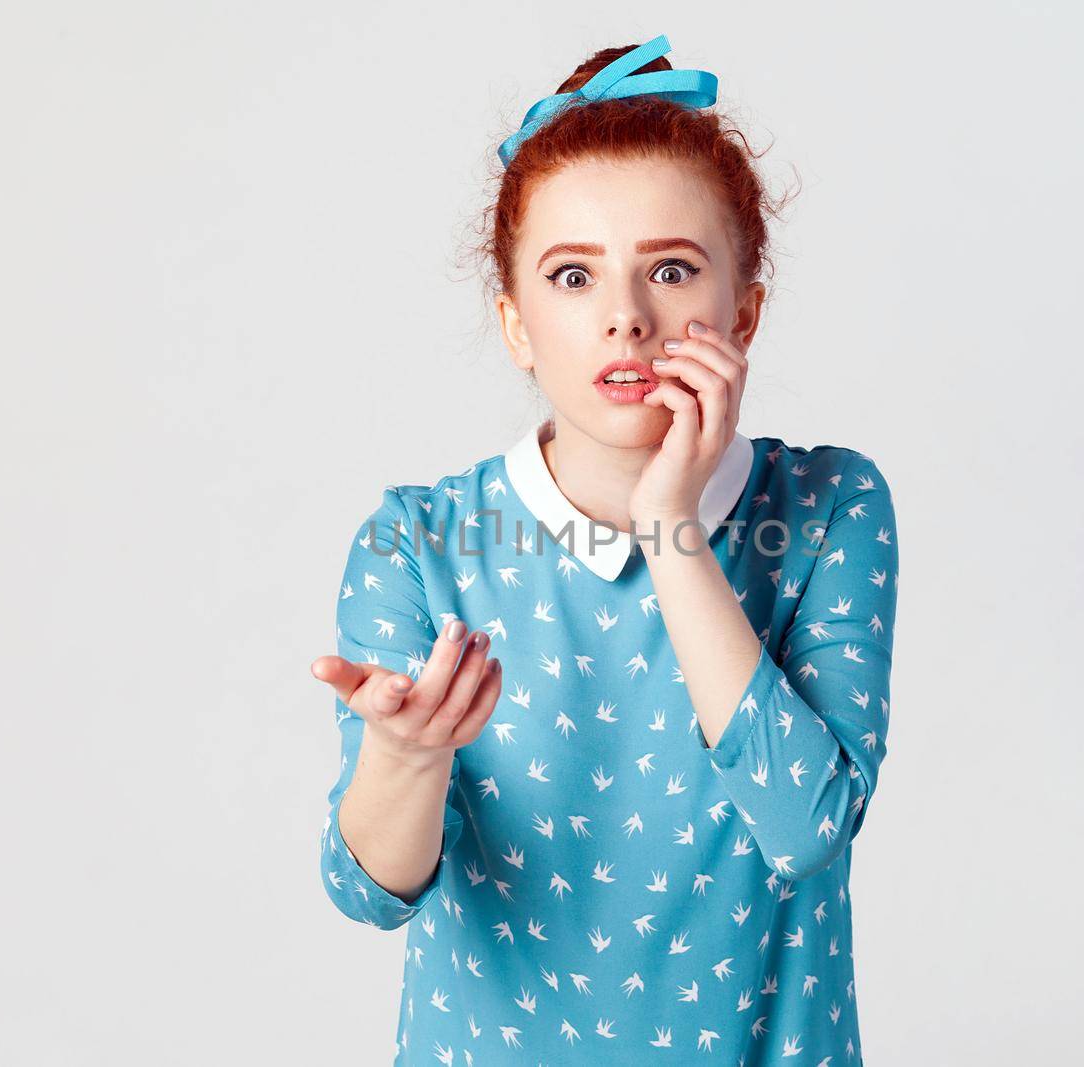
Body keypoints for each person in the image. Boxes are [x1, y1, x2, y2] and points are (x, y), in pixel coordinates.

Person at [310, 34, 901, 1064]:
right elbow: (371, 887)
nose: (626, 319)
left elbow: (806, 826)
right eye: (572, 276)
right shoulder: (422, 544)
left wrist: (672, 524)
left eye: (670, 269)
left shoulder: (827, 508)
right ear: (517, 324)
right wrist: (406, 756)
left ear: (743, 312)